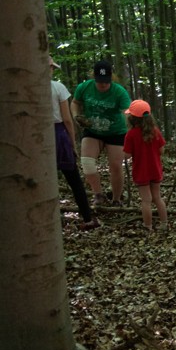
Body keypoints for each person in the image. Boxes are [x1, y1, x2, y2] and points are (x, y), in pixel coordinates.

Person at [70, 60, 132, 207]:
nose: (103, 84)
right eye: (99, 81)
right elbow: (75, 102)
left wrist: (130, 136)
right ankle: (98, 194)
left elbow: (127, 113)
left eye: (106, 81)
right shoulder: (84, 87)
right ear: (94, 77)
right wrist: (76, 116)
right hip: (92, 130)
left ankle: (116, 198)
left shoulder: (119, 91)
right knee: (87, 162)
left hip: (116, 131)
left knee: (116, 166)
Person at [50, 56, 100, 231]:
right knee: (74, 180)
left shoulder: (27, 89)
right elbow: (67, 119)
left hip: (36, 136)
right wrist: (72, 143)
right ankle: (87, 218)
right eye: (51, 68)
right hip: (58, 133)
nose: (52, 70)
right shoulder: (57, 87)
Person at [123, 100, 167, 231]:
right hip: (155, 170)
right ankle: (164, 223)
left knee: (146, 200)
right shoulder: (155, 131)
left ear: (132, 118)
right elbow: (161, 150)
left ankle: (148, 225)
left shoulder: (131, 134)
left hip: (141, 172)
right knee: (157, 197)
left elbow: (127, 155)